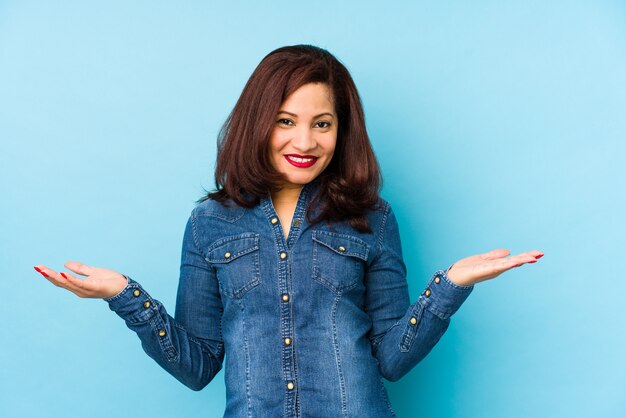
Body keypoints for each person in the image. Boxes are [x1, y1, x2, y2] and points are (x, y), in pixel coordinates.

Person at [34, 44, 543, 417]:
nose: (305, 140)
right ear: (259, 123)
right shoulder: (209, 222)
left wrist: (449, 286)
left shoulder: (374, 217)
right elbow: (198, 367)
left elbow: (391, 359)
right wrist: (125, 295)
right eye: (285, 120)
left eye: (322, 123)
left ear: (341, 131)